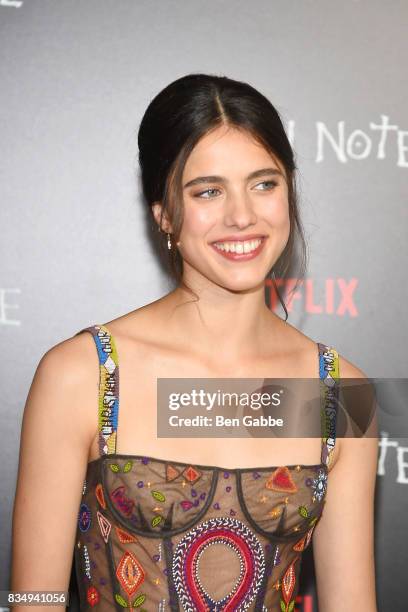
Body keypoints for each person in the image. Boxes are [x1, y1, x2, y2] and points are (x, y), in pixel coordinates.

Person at [11, 73, 378, 611]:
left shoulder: (337, 392)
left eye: (264, 183)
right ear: (164, 213)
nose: (242, 216)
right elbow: (35, 600)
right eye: (208, 191)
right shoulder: (84, 375)